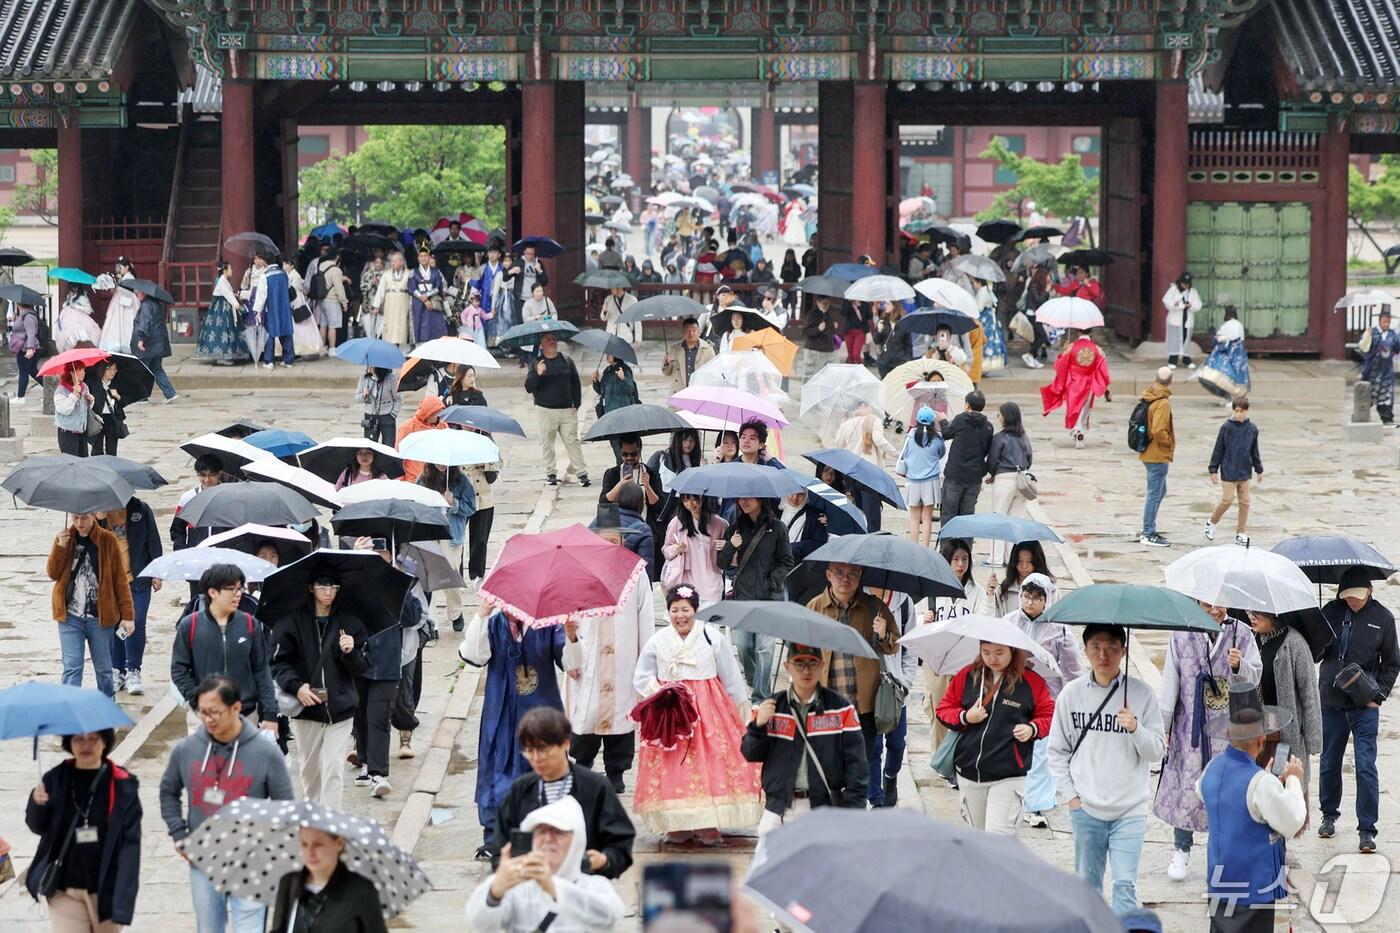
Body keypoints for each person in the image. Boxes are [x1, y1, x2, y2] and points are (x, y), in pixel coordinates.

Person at [1047, 624, 1166, 916]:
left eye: (1112, 647)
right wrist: (1071, 797)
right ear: (1085, 650)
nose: (1103, 655)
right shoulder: (1071, 695)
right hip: (1087, 807)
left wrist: (1135, 727)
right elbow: (1057, 751)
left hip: (1130, 809)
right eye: (1096, 647)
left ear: (1123, 650)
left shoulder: (1142, 694)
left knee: (1125, 884)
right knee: (1088, 887)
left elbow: (1157, 751)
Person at [160, 675, 295, 933]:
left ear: (236, 708)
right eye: (203, 712)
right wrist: (179, 834)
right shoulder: (187, 749)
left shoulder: (266, 752)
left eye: (215, 712)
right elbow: (168, 791)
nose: (208, 719)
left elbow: (285, 806)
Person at [634, 586, 763, 844]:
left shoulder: (711, 637)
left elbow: (730, 676)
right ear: (668, 611)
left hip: (708, 710)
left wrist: (739, 707)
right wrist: (659, 690)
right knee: (673, 765)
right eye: (675, 610)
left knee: (711, 762)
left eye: (686, 610)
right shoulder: (658, 641)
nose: (680, 616)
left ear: (695, 610)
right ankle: (677, 823)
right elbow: (642, 676)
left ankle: (707, 822)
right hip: (671, 714)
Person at [1155, 603, 1262, 881]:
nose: (1214, 610)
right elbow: (1170, 683)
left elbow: (1255, 677)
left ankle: (1226, 854)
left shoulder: (1242, 633)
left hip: (1228, 728)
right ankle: (1181, 848)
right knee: (1188, 787)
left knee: (1225, 791)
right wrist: (1163, 727)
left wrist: (1241, 666)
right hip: (1189, 725)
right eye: (1206, 604)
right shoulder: (1181, 634)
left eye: (1219, 604)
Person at [1198, 682, 1307, 933]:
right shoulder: (1260, 783)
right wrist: (1293, 779)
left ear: (1228, 735)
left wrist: (1265, 781)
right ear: (1261, 738)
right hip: (1252, 890)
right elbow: (1292, 820)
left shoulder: (1210, 770)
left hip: (1220, 883)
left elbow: (1211, 794)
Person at [459, 607, 567, 858]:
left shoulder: (549, 623)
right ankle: (496, 836)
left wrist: (572, 637)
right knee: (498, 770)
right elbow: (474, 656)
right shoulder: (493, 624)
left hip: (540, 714)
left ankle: (542, 833)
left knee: (541, 771)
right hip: (501, 712)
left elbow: (571, 664)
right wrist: (482, 614)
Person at [490, 708, 635, 879]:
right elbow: (500, 847)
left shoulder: (595, 787)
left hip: (582, 888)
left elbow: (619, 845)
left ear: (565, 744)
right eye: (530, 751)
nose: (537, 758)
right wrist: (510, 866)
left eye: (543, 749)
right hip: (529, 886)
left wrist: (603, 860)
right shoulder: (521, 789)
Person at [269, 573, 369, 808]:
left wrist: (351, 652)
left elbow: (362, 666)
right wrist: (297, 687)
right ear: (311, 588)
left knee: (333, 769)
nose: (328, 592)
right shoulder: (291, 623)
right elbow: (278, 663)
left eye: (333, 586)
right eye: (322, 586)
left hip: (341, 709)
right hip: (307, 709)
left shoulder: (350, 623)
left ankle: (330, 827)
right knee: (310, 771)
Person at [24, 728, 140, 931]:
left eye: (93, 739)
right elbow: (37, 826)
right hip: (65, 889)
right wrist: (36, 803)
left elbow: (130, 842)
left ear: (105, 743)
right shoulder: (55, 779)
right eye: (78, 739)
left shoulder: (122, 784)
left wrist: (125, 894)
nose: (86, 745)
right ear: (69, 743)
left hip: (106, 889)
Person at [1317, 569, 1398, 853]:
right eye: (1347, 598)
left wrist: (1380, 695)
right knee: (1329, 762)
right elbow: (1315, 655)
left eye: (1358, 597)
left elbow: (1392, 663)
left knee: (1365, 766)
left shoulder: (1384, 619)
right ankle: (1328, 814)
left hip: (1365, 704)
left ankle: (1367, 830)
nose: (1352, 602)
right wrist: (1319, 635)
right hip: (1331, 700)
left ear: (1370, 592)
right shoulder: (1329, 611)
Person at [744, 642, 867, 832]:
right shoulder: (773, 706)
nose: (806, 671)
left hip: (824, 809)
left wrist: (854, 814)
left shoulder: (842, 708)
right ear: (787, 667)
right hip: (779, 809)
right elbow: (749, 753)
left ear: (822, 666)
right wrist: (758, 725)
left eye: (813, 663)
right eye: (799, 663)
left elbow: (857, 766)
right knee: (766, 861)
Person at [561, 542, 653, 794]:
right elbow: (568, 618)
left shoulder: (635, 572)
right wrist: (571, 653)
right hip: (588, 657)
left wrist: (646, 661)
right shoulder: (579, 573)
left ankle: (616, 770)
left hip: (624, 658)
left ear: (622, 541)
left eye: (614, 540)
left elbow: (645, 618)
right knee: (585, 716)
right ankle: (582, 765)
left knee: (622, 716)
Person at [936, 640, 1054, 835]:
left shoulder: (1031, 681)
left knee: (997, 838)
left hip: (1008, 775)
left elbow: (1048, 715)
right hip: (969, 772)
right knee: (981, 841)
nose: (992, 659)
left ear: (1013, 650)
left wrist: (1032, 729)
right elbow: (944, 709)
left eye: (999, 652)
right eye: (986, 652)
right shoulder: (968, 675)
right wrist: (965, 717)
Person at [465, 796, 625, 933]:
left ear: (577, 841)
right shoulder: (516, 888)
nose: (548, 839)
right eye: (541, 832)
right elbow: (481, 923)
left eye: (558, 832)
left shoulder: (595, 886)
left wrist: (554, 887)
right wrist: (495, 890)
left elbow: (609, 917)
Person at [1004, 574, 1082, 828]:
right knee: (1014, 748)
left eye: (1037, 598)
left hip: (1046, 699)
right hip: (1014, 694)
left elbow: (1071, 672)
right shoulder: (1009, 623)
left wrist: (1070, 703)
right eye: (1026, 596)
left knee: (1041, 752)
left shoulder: (1059, 631)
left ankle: (1036, 804)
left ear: (1046, 599)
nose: (1030, 603)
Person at [807, 562, 900, 763]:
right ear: (828, 574)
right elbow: (801, 652)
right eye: (839, 573)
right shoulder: (815, 607)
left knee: (859, 767)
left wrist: (884, 634)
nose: (845, 579)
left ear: (860, 575)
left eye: (852, 573)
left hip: (863, 707)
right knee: (827, 766)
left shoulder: (874, 607)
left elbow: (894, 646)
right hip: (826, 705)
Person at [171, 564, 280, 734]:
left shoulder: (251, 624)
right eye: (232, 589)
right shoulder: (190, 626)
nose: (238, 594)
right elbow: (179, 670)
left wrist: (270, 713)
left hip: (245, 716)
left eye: (240, 588)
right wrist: (198, 700)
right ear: (213, 592)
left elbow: (261, 670)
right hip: (203, 719)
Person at [921, 538, 987, 783]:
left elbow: (984, 621)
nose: (960, 565)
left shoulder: (977, 592)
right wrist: (924, 619)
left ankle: (958, 760)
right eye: (955, 560)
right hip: (936, 658)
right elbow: (917, 618)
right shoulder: (933, 590)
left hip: (966, 660)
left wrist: (990, 595)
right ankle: (940, 758)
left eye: (964, 559)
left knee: (963, 712)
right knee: (938, 709)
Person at [47, 512, 134, 698]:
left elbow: (120, 580)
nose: (79, 523)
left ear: (93, 516)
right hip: (69, 616)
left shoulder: (107, 539)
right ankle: (70, 710)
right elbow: (53, 573)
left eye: (84, 518)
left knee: (103, 669)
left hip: (100, 618)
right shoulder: (65, 538)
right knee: (72, 667)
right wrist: (60, 547)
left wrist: (128, 616)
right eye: (75, 518)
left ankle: (107, 708)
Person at [718, 496, 794, 702]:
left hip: (769, 597)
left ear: (761, 499)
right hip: (742, 598)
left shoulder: (777, 528)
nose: (744, 501)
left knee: (765, 648)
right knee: (743, 646)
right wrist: (731, 546)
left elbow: (787, 561)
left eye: (749, 497)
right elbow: (722, 563)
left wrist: (773, 580)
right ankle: (754, 682)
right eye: (741, 498)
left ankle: (761, 697)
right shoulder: (734, 529)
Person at [1246, 609, 1322, 804]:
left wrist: (1314, 739)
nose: (1251, 618)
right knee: (1254, 794)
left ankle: (1279, 835)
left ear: (1274, 615)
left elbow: (1310, 693)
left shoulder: (1294, 644)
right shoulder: (1249, 641)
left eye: (1257, 614)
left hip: (1284, 735)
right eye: (1249, 613)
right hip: (1255, 734)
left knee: (1281, 790)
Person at [267, 827, 387, 933]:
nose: (310, 853)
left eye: (318, 844)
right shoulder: (289, 882)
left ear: (339, 843)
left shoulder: (361, 890)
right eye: (304, 844)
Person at [866, 584, 919, 808]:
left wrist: (905, 682)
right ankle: (877, 800)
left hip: (896, 690)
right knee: (873, 748)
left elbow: (911, 646)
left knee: (897, 744)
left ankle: (891, 776)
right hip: (868, 690)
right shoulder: (861, 598)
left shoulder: (904, 601)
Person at [103, 495, 160, 696]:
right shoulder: (97, 510)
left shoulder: (140, 509)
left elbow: (153, 539)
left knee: (137, 622)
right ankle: (116, 669)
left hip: (138, 577)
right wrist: (97, 519)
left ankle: (134, 670)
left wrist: (157, 571)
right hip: (110, 580)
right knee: (114, 623)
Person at [418, 462, 476, 632]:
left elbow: (471, 507)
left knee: (451, 574)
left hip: (452, 535)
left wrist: (454, 503)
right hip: (430, 533)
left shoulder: (462, 480)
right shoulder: (424, 479)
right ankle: (430, 619)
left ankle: (455, 612)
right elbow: (416, 505)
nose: (441, 465)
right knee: (430, 578)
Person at [526, 333, 589, 487]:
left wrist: (577, 403)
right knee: (547, 443)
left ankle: (582, 473)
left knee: (572, 441)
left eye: (553, 339)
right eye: (548, 340)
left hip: (567, 409)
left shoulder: (566, 361)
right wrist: (538, 374)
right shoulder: (537, 363)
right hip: (545, 409)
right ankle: (551, 473)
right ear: (541, 344)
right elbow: (529, 387)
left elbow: (575, 382)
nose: (552, 342)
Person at [1205, 397, 1264, 546]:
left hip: (1244, 471)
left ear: (1247, 411)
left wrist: (1259, 469)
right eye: (1236, 411)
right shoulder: (1226, 427)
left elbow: (1254, 450)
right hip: (1229, 471)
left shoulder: (1252, 429)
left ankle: (1241, 532)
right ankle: (1211, 522)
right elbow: (1219, 448)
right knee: (1227, 500)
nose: (1239, 414)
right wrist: (1213, 469)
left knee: (1245, 503)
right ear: (1233, 411)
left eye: (1242, 411)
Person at [1040, 328, 1111, 448]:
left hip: (1074, 383)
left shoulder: (1071, 347)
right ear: (1091, 333)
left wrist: (1063, 352)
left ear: (1078, 333)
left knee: (1074, 409)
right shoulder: (1097, 349)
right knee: (1085, 409)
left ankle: (1077, 431)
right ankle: (1080, 430)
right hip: (1089, 384)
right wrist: (1106, 385)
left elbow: (1060, 366)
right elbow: (1103, 370)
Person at [831, 408, 898, 532]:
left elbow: (838, 443)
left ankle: (860, 537)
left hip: (851, 471)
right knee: (872, 513)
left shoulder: (846, 424)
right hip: (869, 473)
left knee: (858, 510)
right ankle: (872, 540)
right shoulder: (874, 421)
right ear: (864, 405)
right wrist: (896, 454)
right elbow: (878, 440)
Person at [984, 401, 1034, 566]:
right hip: (1022, 480)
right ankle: (1011, 558)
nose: (998, 417)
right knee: (1016, 521)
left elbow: (992, 460)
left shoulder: (1000, 437)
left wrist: (993, 474)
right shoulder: (1024, 437)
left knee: (999, 518)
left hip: (1004, 479)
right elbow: (1029, 459)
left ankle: (996, 558)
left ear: (1006, 417)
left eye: (1000, 414)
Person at [661, 493, 726, 604]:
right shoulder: (677, 523)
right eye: (685, 500)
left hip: (711, 586)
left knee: (710, 621)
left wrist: (726, 547)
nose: (690, 504)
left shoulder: (720, 524)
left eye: (694, 499)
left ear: (703, 498)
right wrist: (676, 549)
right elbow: (666, 551)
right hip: (685, 583)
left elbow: (730, 560)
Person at [939, 390, 993, 523]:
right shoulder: (988, 426)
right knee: (968, 516)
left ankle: (948, 543)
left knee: (948, 515)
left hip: (955, 475)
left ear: (967, 405)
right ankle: (966, 544)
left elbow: (946, 434)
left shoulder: (960, 420)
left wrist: (942, 421)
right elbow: (987, 450)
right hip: (974, 477)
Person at [896, 406, 946, 545]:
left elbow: (905, 454)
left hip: (912, 480)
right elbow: (941, 453)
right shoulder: (937, 437)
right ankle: (925, 547)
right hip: (931, 480)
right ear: (932, 421)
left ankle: (914, 547)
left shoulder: (911, 435)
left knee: (914, 517)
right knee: (927, 517)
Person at [1138, 367, 1174, 548]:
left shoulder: (1150, 395)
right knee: (1154, 494)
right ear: (1171, 381)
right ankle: (1148, 531)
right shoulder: (1163, 403)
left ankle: (1149, 525)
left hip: (1148, 452)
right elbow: (1158, 430)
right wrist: (1168, 443)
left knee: (1160, 491)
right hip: (1157, 454)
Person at [249, 250, 295, 369]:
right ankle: (288, 360)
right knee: (286, 332)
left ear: (264, 261)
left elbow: (261, 295)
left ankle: (269, 361)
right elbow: (289, 288)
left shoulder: (265, 276)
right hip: (284, 306)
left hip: (272, 307)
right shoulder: (284, 273)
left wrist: (257, 311)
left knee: (270, 334)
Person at [591, 354, 640, 460]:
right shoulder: (607, 370)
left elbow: (631, 389)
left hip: (623, 414)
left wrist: (623, 378)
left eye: (610, 354)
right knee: (615, 444)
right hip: (609, 413)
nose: (607, 356)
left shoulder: (625, 369)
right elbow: (602, 391)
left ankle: (625, 467)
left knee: (624, 445)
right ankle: (621, 468)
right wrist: (595, 381)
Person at [1198, 305, 1250, 403]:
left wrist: (1221, 339)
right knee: (1233, 376)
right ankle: (1229, 398)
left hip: (1228, 352)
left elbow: (1222, 337)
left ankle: (1231, 398)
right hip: (1238, 354)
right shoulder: (1239, 324)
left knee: (1226, 375)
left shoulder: (1227, 325)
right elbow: (1241, 340)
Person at [987, 540, 1052, 616]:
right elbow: (993, 618)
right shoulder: (1004, 590)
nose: (1024, 566)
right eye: (1019, 561)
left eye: (1029, 561)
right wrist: (990, 595)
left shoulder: (1051, 590)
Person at [395, 394, 446, 485]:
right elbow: (398, 455)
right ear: (428, 413)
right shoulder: (408, 427)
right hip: (412, 479)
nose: (439, 417)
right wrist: (400, 479)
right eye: (436, 413)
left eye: (440, 414)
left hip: (435, 480)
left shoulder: (442, 426)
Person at [1360, 308, 1400, 424]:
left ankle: (1387, 419)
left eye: (1388, 321)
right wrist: (1368, 334)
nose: (1387, 323)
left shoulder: (1393, 335)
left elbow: (1397, 348)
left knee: (1386, 397)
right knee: (1367, 396)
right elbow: (1363, 347)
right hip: (1372, 370)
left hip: (1386, 371)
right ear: (1379, 321)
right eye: (1384, 321)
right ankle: (1361, 415)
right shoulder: (1373, 332)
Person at [662, 317, 716, 393]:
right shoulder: (674, 349)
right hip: (679, 391)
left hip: (700, 391)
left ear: (699, 332)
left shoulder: (707, 349)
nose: (691, 334)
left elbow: (713, 373)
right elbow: (667, 373)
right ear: (683, 332)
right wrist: (666, 364)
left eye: (694, 331)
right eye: (688, 331)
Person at [97, 259, 139, 354]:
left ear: (127, 267)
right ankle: (116, 344)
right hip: (118, 303)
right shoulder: (123, 277)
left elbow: (129, 292)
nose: (119, 269)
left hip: (126, 305)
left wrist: (117, 286)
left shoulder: (130, 278)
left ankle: (127, 344)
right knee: (115, 322)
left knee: (127, 324)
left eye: (121, 267)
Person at [53, 360, 94, 456]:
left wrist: (91, 401)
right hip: (67, 433)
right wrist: (74, 395)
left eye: (84, 369)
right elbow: (64, 410)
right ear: (72, 372)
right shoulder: (61, 390)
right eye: (80, 370)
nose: (84, 373)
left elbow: (85, 410)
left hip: (81, 431)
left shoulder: (84, 387)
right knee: (70, 464)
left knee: (82, 463)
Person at [1162, 272, 1203, 369]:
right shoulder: (1173, 290)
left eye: (1187, 284)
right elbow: (1166, 301)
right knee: (1175, 339)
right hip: (1175, 319)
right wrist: (1176, 304)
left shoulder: (1193, 292)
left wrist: (1191, 305)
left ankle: (1186, 359)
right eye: (1184, 283)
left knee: (1186, 339)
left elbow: (1198, 305)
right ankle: (1173, 359)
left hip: (1187, 319)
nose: (1185, 285)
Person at [373, 250, 412, 348]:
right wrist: (376, 306)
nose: (392, 263)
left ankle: (402, 351)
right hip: (390, 305)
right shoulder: (386, 274)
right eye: (392, 261)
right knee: (389, 329)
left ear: (401, 262)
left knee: (402, 328)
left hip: (403, 305)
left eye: (395, 261)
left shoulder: (409, 274)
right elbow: (380, 290)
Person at [409, 246, 448, 344]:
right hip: (418, 303)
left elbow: (438, 286)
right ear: (418, 258)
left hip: (433, 301)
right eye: (421, 256)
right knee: (419, 326)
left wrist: (427, 295)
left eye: (425, 256)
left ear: (429, 257)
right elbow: (411, 287)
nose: (423, 258)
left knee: (435, 328)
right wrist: (424, 299)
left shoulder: (436, 271)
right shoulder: (413, 271)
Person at [86, 359, 125, 456]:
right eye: (110, 369)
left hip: (112, 419)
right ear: (103, 369)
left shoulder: (117, 383)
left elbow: (123, 402)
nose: (113, 372)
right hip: (97, 418)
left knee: (112, 450)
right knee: (97, 449)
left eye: (115, 370)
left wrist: (118, 396)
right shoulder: (93, 382)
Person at [355, 367, 401, 447]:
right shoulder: (364, 378)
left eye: (372, 365)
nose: (369, 367)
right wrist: (364, 395)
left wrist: (393, 413)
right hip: (370, 416)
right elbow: (357, 398)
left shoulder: (391, 379)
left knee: (388, 446)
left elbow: (398, 398)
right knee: (370, 446)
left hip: (387, 415)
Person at [10, 300, 44, 404]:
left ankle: (21, 397)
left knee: (24, 372)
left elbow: (31, 334)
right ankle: (51, 391)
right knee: (33, 371)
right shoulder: (24, 315)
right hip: (26, 347)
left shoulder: (28, 316)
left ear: (19, 304)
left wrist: (30, 348)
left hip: (26, 348)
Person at [800, 295, 841, 377]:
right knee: (811, 377)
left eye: (827, 304)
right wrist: (818, 328)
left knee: (832, 376)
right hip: (815, 350)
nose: (826, 306)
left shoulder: (830, 313)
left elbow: (831, 331)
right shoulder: (812, 314)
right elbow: (805, 331)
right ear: (818, 302)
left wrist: (834, 326)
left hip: (829, 349)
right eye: (823, 303)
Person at [315, 250, 347, 351]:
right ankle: (332, 348)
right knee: (333, 325)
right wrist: (344, 301)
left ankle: (322, 347)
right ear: (337, 257)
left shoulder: (321, 266)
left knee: (323, 325)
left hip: (322, 299)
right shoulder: (336, 270)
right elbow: (338, 287)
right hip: (332, 300)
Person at [56, 286, 103, 352]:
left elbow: (88, 310)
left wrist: (76, 307)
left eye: (74, 287)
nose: (73, 289)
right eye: (72, 288)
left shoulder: (82, 298)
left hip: (80, 321)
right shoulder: (70, 296)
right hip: (69, 321)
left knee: (81, 336)